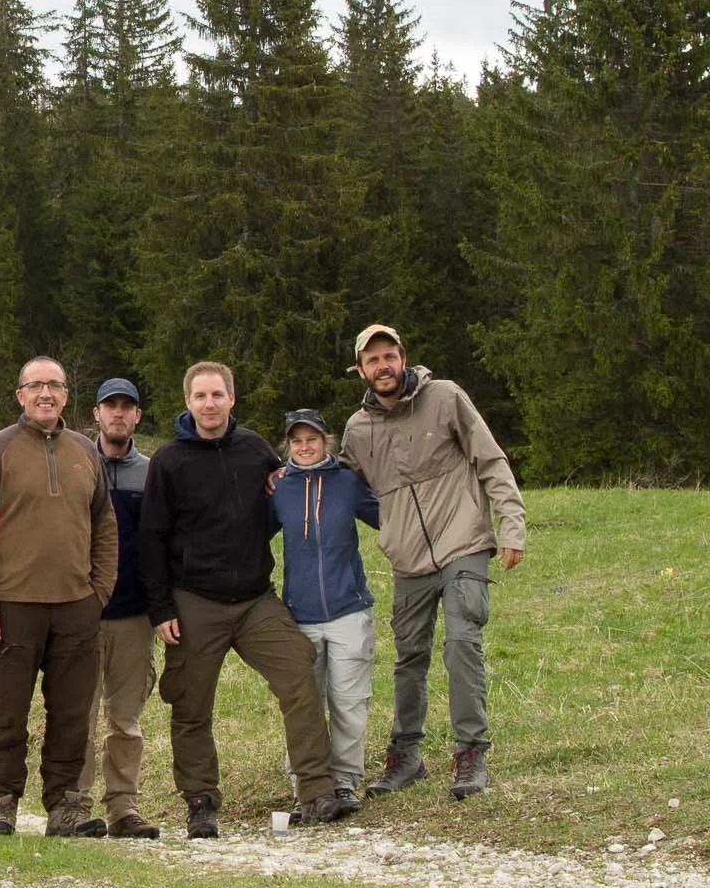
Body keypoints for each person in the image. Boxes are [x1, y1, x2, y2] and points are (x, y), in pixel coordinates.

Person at [141, 360, 346, 836]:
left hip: (255, 598)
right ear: (187, 402)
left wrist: (282, 482)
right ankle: (200, 801)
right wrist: (161, 608)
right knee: (191, 705)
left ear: (232, 399)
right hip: (194, 600)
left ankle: (316, 790)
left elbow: (288, 488)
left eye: (217, 395)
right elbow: (150, 538)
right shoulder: (169, 462)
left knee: (299, 671)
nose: (209, 404)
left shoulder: (254, 448)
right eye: (200, 397)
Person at [338, 324, 526, 801]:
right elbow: (340, 487)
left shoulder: (445, 397)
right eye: (372, 360)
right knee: (409, 658)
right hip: (408, 560)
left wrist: (512, 526)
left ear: (403, 358)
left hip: (463, 542)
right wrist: (286, 479)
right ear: (360, 370)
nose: (383, 366)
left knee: (462, 644)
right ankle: (406, 757)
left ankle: (470, 754)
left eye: (389, 356)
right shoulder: (358, 430)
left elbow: (491, 460)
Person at [0, 356, 118, 837]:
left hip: (76, 607)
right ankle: (2, 801)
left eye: (55, 386)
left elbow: (105, 526)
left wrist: (99, 593)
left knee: (71, 713)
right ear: (20, 396)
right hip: (12, 608)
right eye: (36, 386)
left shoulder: (85, 451)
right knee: (9, 711)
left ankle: (66, 806)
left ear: (67, 395)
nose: (45, 394)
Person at [272, 408, 381, 816]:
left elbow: (388, 519)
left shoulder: (347, 483)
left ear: (325, 440)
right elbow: (249, 534)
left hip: (349, 609)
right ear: (287, 444)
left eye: (312, 439)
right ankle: (305, 785)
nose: (305, 447)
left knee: (349, 701)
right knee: (304, 704)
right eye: (297, 440)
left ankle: (345, 783)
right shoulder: (277, 488)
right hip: (299, 615)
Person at [84, 377, 160, 839]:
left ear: (136, 416)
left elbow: (162, 544)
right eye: (109, 406)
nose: (117, 413)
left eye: (126, 407)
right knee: (78, 717)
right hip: (83, 614)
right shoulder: (75, 464)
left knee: (125, 720)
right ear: (96, 413)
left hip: (134, 615)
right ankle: (74, 804)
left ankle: (123, 808)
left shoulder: (152, 473)